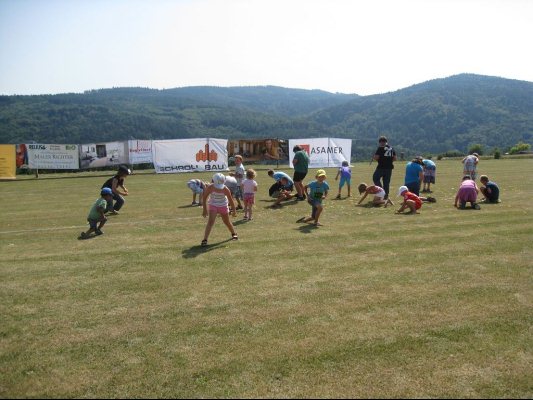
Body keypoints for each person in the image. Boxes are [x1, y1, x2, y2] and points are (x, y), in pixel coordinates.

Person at [201, 173, 238, 247]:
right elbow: (204, 198)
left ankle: (233, 233)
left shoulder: (225, 189)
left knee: (226, 221)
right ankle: (205, 239)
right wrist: (204, 210)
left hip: (223, 205)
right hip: (213, 205)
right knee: (210, 222)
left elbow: (231, 200)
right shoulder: (210, 187)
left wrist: (234, 211)